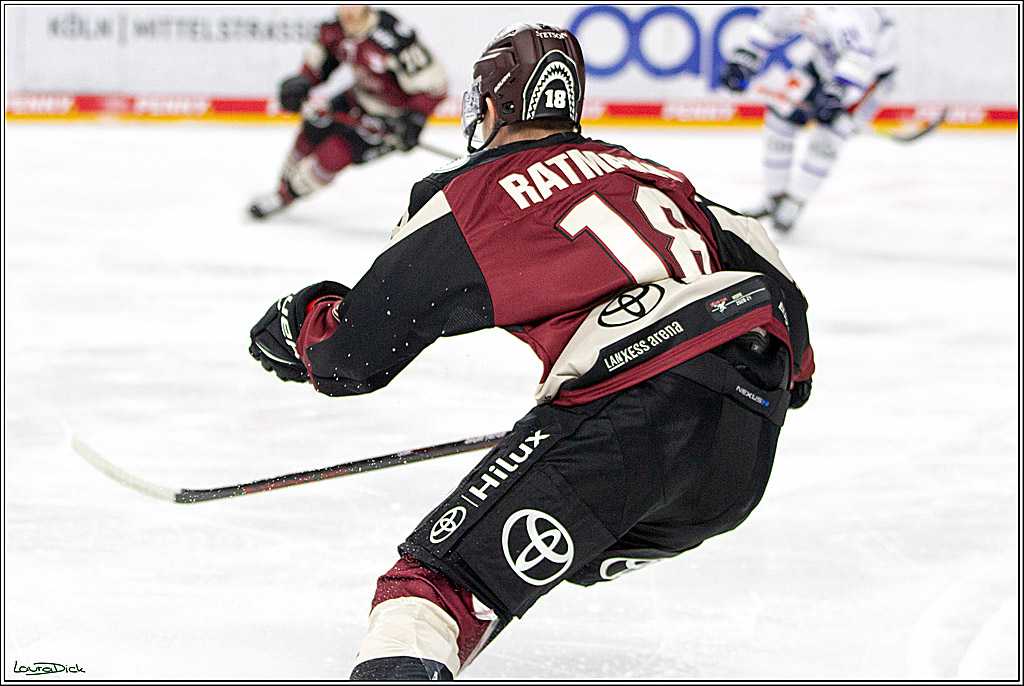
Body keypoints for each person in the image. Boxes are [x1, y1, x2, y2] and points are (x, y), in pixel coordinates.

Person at [249, 23, 814, 680]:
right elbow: (774, 277)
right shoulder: (653, 173)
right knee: (537, 549)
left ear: (490, 108)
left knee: (434, 593)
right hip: (740, 453)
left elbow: (351, 356)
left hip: (630, 411)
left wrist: (297, 325)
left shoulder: (471, 194)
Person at [248, 5, 448, 220]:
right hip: (356, 99)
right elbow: (321, 60)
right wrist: (303, 81)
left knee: (334, 153)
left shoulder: (393, 39)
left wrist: (414, 120)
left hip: (391, 118)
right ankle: (281, 188)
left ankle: (287, 195)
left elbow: (435, 86)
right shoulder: (335, 29)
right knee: (312, 129)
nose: (347, 10)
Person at [720, 6, 898, 232]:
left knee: (827, 138)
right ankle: (775, 197)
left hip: (868, 76)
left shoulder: (849, 12)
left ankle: (795, 201)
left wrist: (838, 90)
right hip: (824, 64)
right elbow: (772, 24)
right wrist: (745, 58)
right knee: (780, 116)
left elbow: (861, 54)